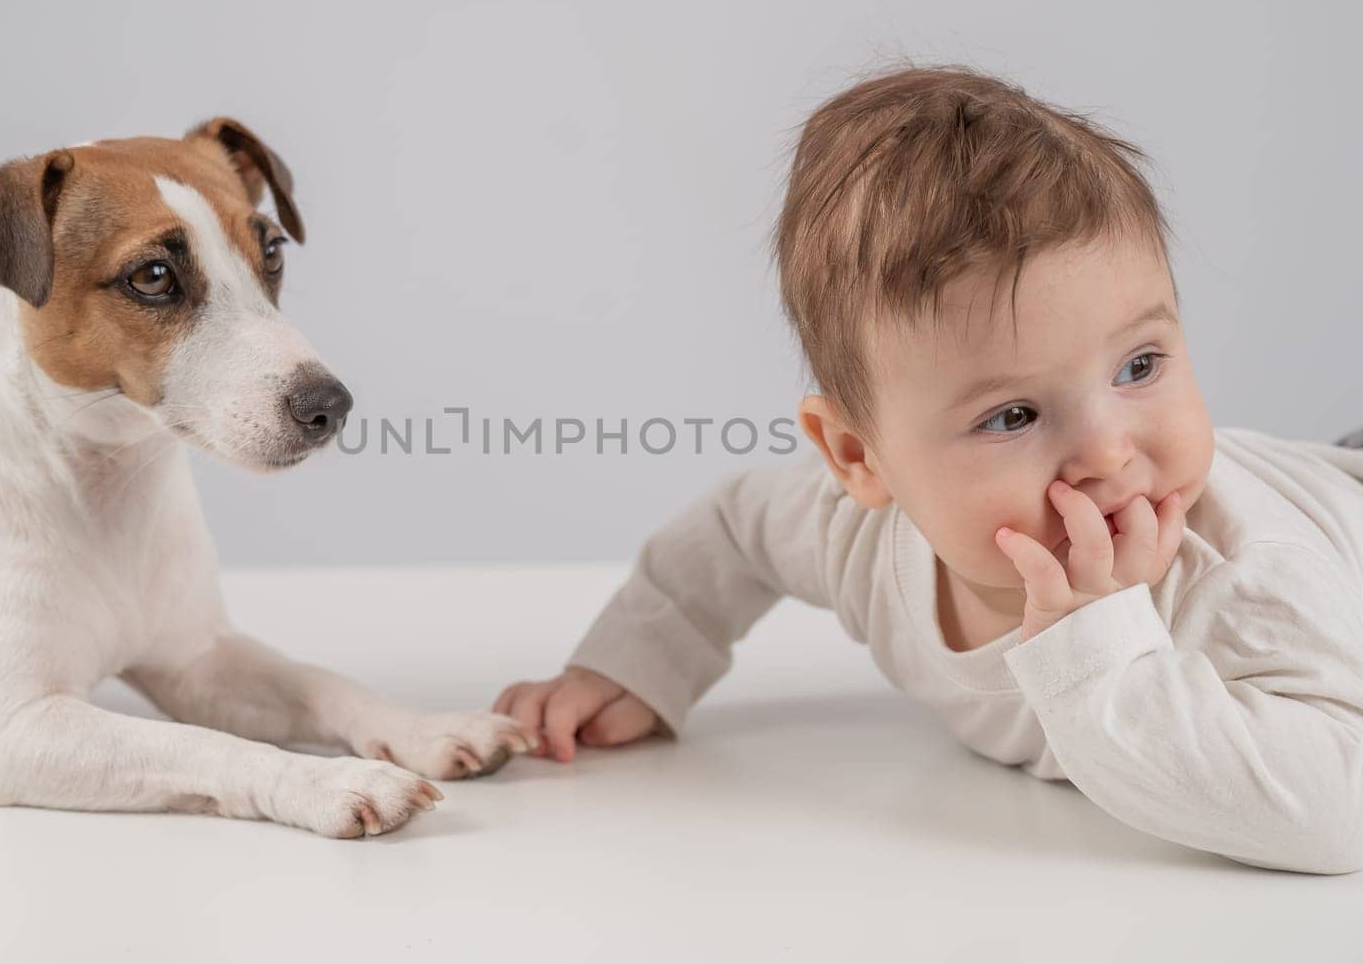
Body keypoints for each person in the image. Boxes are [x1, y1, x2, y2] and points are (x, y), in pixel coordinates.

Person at [493, 66, 1363, 874]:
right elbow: (733, 533)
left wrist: (1104, 657)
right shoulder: (860, 534)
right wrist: (639, 660)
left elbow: (1335, 813)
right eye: (1013, 415)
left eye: (1139, 366)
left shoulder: (1243, 579)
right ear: (858, 458)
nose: (1108, 450)